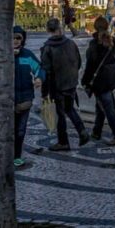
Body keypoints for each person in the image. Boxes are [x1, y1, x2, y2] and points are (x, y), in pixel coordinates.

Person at [41, 18, 89, 151]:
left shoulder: (48, 47)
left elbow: (46, 71)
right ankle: (82, 131)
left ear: (48, 30)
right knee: (70, 109)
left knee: (61, 113)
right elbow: (78, 62)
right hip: (71, 82)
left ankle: (63, 142)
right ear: (60, 28)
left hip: (57, 85)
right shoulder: (71, 43)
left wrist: (44, 93)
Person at [81, 17, 115, 146]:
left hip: (100, 80)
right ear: (107, 26)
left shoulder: (94, 44)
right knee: (101, 105)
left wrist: (85, 80)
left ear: (95, 27)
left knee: (108, 108)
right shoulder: (114, 40)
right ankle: (96, 131)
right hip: (112, 77)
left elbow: (90, 65)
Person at [12, 25, 44, 168]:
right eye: (12, 37)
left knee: (20, 130)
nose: (15, 41)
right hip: (7, 100)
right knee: (8, 130)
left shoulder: (27, 55)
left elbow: (39, 68)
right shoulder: (1, 54)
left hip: (25, 98)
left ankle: (17, 156)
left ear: (22, 39)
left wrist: (39, 78)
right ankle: (7, 154)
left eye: (18, 38)